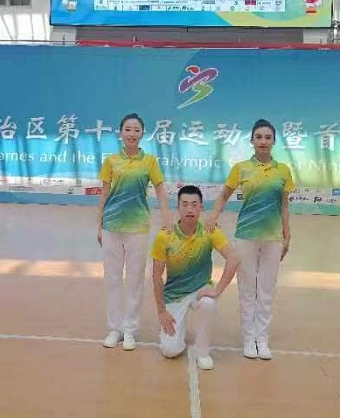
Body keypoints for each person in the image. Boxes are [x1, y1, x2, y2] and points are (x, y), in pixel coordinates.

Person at [206, 119, 294, 360]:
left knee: (266, 290)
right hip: (246, 236)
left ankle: (262, 339)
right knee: (247, 289)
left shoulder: (283, 171)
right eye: (259, 137)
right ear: (252, 141)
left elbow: (284, 206)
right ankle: (248, 338)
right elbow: (224, 196)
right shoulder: (241, 168)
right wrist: (213, 216)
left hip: (272, 238)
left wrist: (286, 235)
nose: (263, 141)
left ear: (273, 141)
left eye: (268, 137)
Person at [97, 113, 172, 351]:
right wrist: (99, 224)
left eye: (136, 130)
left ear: (142, 134)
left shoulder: (149, 161)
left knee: (135, 279)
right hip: (111, 225)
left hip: (138, 226)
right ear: (121, 133)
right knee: (112, 278)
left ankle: (129, 329)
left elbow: (160, 190)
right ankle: (114, 328)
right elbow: (104, 194)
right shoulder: (111, 161)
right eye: (128, 129)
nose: (131, 134)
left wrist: (167, 219)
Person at [152, 185, 239, 370]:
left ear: (201, 208)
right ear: (178, 208)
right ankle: (177, 335)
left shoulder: (209, 231)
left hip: (200, 290)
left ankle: (202, 350)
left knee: (208, 303)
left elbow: (233, 259)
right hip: (174, 295)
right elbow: (156, 276)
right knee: (170, 351)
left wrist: (217, 290)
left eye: (194, 204)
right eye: (184, 204)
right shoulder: (164, 237)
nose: (189, 209)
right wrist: (161, 311)